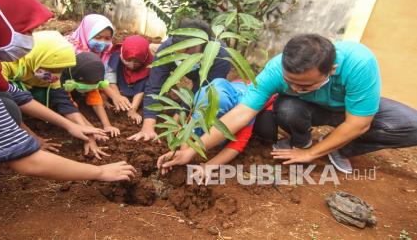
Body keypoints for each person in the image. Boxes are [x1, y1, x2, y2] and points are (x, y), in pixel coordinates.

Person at [0, 0, 135, 218]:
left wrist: (71, 126)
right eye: (24, 30)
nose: (29, 40)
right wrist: (101, 172)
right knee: (6, 111)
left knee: (7, 104)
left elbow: (15, 94)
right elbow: (27, 159)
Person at [162, 34, 417, 174]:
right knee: (286, 106)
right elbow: (241, 113)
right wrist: (192, 150)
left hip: (349, 108)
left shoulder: (359, 62)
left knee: (412, 125)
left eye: (304, 85)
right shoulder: (275, 69)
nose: (295, 88)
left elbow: (359, 122)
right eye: (290, 82)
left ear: (332, 70)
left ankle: (339, 148)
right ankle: (302, 139)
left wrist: (309, 156)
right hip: (308, 110)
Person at [1, 31, 118, 157]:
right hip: (0, 98)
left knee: (49, 94)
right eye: (51, 70)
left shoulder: (51, 76)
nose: (55, 76)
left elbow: (66, 105)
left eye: (60, 70)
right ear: (39, 57)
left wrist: (88, 136)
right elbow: (4, 107)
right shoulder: (6, 63)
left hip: (26, 90)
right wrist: (33, 138)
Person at [128, 18, 232, 142]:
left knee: (205, 95)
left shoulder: (220, 56)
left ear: (203, 44)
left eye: (189, 49)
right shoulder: (167, 49)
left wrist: (178, 119)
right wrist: (148, 126)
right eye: (180, 49)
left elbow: (201, 90)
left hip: (204, 84)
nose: (184, 53)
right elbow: (154, 86)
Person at [157, 78, 276, 174]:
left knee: (224, 139)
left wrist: (209, 166)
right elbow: (191, 126)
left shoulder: (245, 110)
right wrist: (184, 152)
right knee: (203, 128)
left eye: (215, 117)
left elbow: (236, 146)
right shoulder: (204, 98)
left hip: (265, 101)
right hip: (231, 86)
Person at [67, 14, 121, 129]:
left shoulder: (106, 51)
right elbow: (66, 103)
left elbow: (96, 83)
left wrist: (107, 125)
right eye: (98, 37)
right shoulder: (70, 50)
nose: (102, 42)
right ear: (86, 33)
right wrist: (88, 127)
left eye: (107, 38)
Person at [104, 35, 153, 124]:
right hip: (117, 88)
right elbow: (111, 80)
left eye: (137, 62)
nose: (132, 64)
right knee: (103, 90)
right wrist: (117, 97)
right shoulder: (116, 56)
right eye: (128, 60)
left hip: (135, 93)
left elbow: (141, 89)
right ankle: (106, 103)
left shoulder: (148, 65)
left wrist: (132, 110)